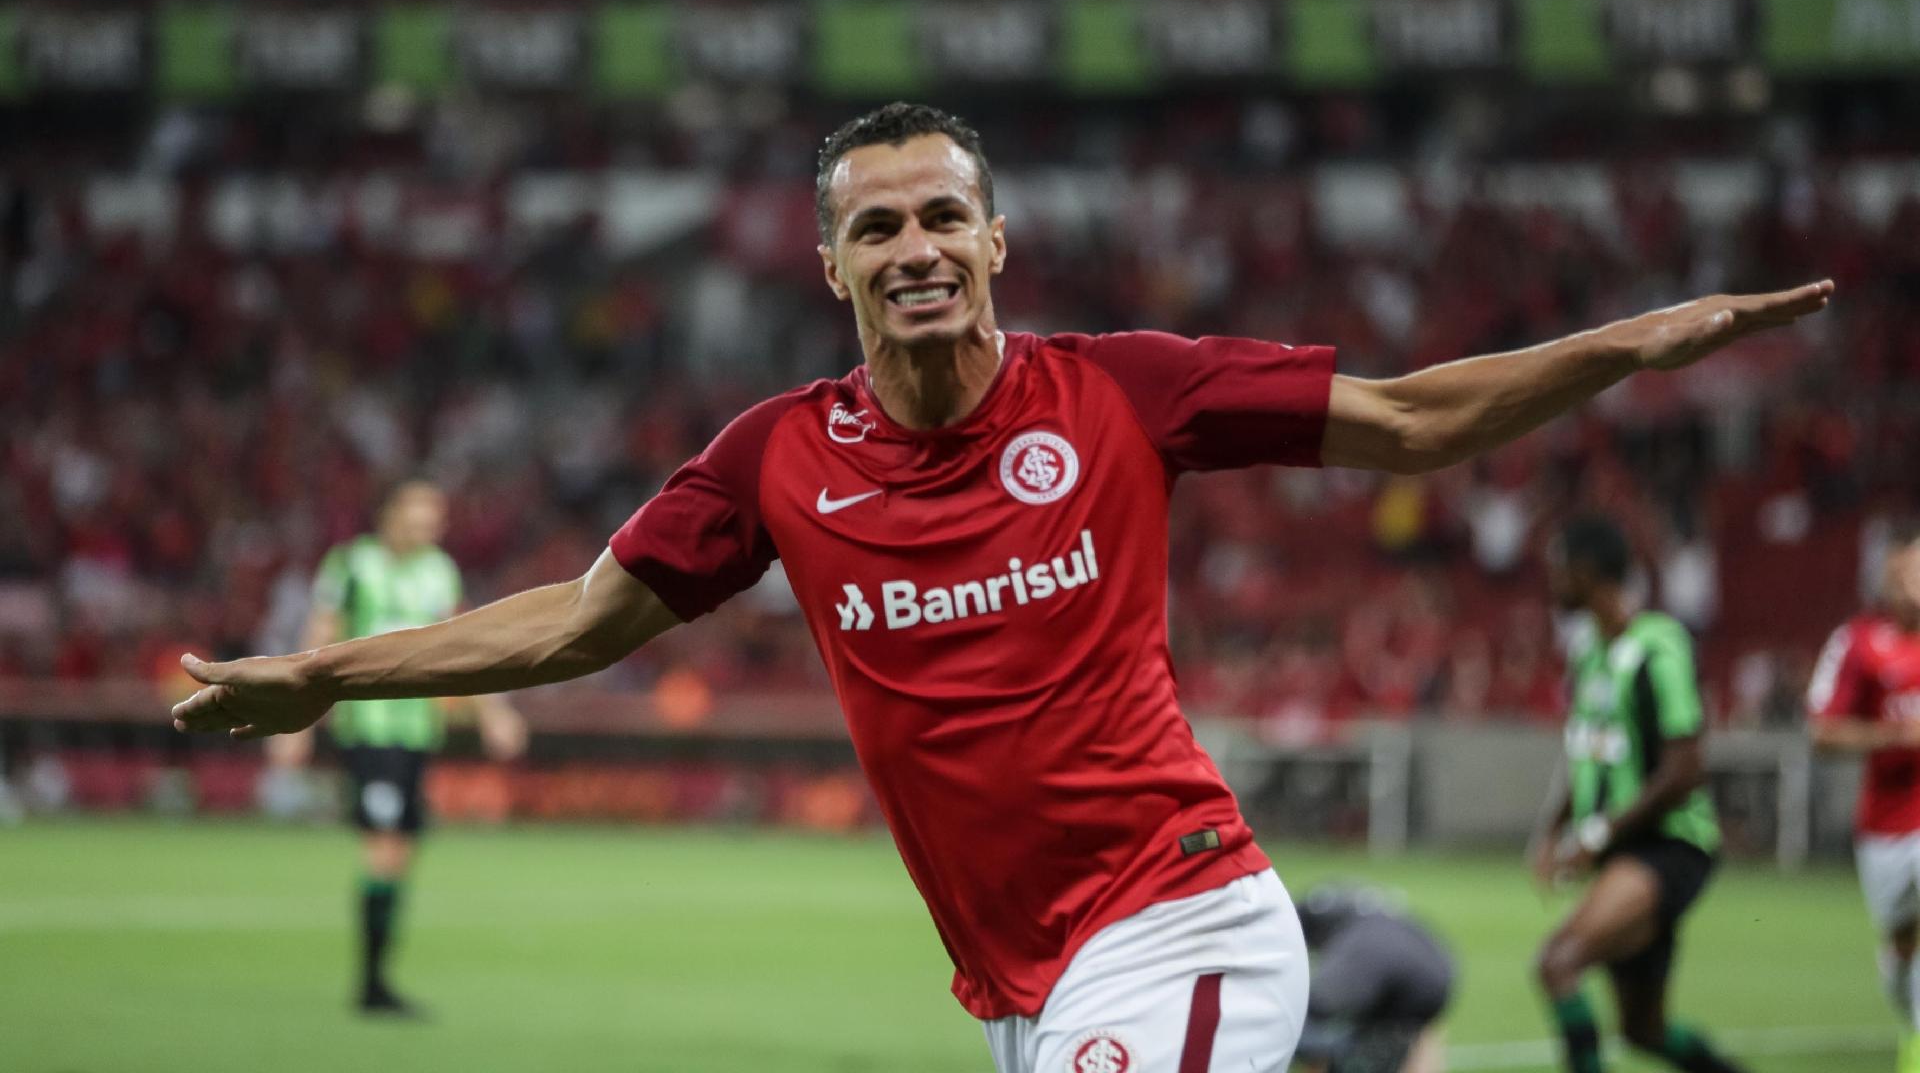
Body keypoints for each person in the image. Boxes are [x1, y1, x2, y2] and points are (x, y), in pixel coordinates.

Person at [172, 103, 1831, 1072]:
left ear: (995, 242)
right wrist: (326, 677)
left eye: (941, 216)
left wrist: (1637, 343)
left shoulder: (1122, 392)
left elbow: (1403, 420)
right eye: (875, 224)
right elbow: (570, 620)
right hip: (1017, 985)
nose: (912, 245)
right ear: (830, 265)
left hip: (1180, 916)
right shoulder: (771, 461)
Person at [267, 479, 527, 1017]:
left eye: (437, 515)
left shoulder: (439, 571)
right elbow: (319, 642)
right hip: (370, 727)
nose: (433, 524)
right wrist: (296, 724)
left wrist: (493, 712)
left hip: (417, 731)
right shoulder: (351, 565)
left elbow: (461, 647)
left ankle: (376, 982)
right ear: (390, 513)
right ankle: (371, 987)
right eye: (421, 512)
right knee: (384, 848)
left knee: (401, 854)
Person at [1529, 513, 1746, 1073]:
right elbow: (1590, 756)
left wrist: (1596, 833)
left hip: (1670, 846)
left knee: (1558, 963)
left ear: (1586, 572)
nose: (1551, 582)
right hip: (1627, 853)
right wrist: (1552, 831)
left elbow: (1684, 771)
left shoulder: (1660, 646)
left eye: (1559, 569)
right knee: (1643, 1031)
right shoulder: (1590, 654)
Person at [1807, 527, 1920, 1073]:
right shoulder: (1858, 643)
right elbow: (1823, 734)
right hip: (1883, 827)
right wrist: (1898, 736)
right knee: (1902, 947)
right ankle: (1908, 1014)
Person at [1292, 885, 1454, 1073]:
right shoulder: (1378, 921)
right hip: (1437, 982)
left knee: (1308, 1025)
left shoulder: (1357, 939)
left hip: (1395, 989)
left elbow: (1318, 1006)